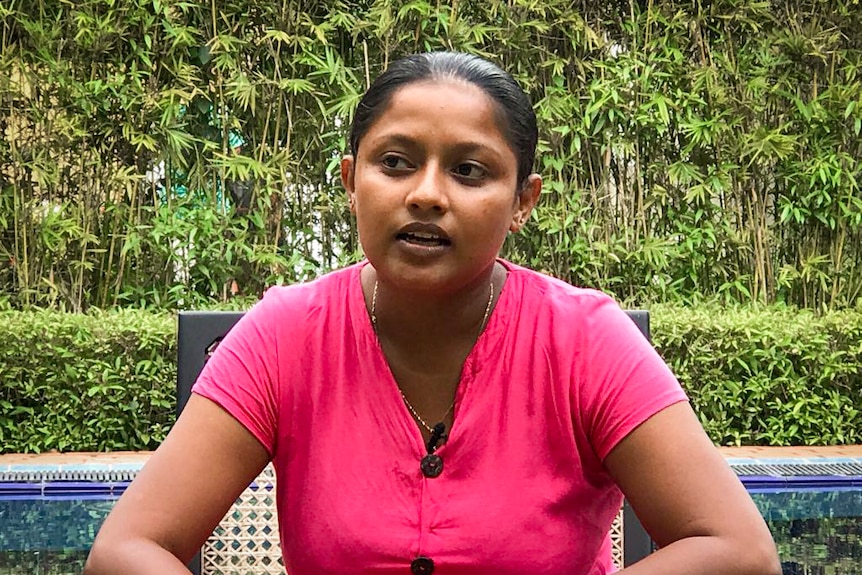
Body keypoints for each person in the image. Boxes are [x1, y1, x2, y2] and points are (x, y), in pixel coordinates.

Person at [84, 51, 780, 575]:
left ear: (523, 201)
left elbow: (738, 550)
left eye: (469, 171)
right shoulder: (287, 334)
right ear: (352, 182)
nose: (426, 194)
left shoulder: (583, 341)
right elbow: (126, 547)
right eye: (395, 162)